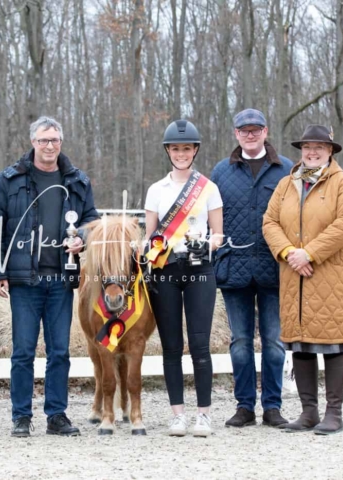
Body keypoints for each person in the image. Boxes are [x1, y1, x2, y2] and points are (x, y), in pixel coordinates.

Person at [0, 116, 99, 437]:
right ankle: (21, 416)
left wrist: (81, 236)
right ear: (33, 142)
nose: (49, 146)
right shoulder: (10, 180)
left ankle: (57, 415)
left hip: (62, 280)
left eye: (54, 140)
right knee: (23, 351)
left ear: (60, 143)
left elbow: (92, 219)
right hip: (24, 281)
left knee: (60, 352)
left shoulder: (78, 180)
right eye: (43, 140)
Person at [263, 124, 343, 435]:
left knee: (333, 343)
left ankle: (334, 414)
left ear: (331, 150)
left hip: (329, 275)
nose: (312, 151)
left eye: (319, 146)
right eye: (307, 146)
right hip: (294, 276)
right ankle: (308, 412)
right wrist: (289, 252)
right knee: (300, 345)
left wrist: (309, 253)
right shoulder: (286, 184)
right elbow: (270, 221)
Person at [210, 108, 293, 428]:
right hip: (235, 269)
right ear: (235, 133)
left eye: (256, 129)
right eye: (244, 130)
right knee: (240, 341)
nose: (250, 134)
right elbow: (210, 219)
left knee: (274, 341)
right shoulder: (221, 172)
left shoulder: (286, 169)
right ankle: (244, 405)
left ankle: (272, 406)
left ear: (265, 131)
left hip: (275, 269)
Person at [144, 119, 223, 437]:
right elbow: (150, 237)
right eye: (175, 148)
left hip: (198, 268)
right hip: (165, 271)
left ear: (195, 151)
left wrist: (203, 244)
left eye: (186, 148)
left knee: (200, 345)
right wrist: (152, 248)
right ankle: (177, 414)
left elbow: (219, 234)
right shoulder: (156, 191)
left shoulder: (208, 188)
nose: (180, 153)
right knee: (171, 346)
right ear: (168, 151)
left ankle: (203, 414)